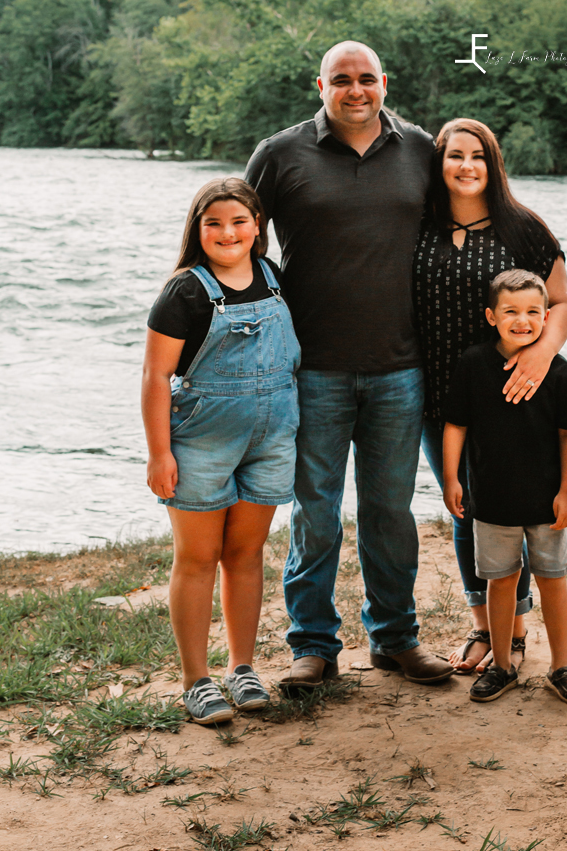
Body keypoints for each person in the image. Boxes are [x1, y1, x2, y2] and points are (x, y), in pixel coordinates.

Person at [245, 41, 455, 691]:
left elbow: (466, 224)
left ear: (385, 83)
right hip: (312, 370)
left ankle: (396, 639)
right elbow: (233, 239)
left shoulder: (421, 149)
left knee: (391, 512)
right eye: (342, 79)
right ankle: (313, 646)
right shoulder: (280, 155)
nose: (355, 89)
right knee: (315, 511)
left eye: (367, 79)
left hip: (401, 368)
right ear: (320, 86)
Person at [413, 118, 567, 675]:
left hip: (514, 391)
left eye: (477, 155)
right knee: (467, 509)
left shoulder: (523, 228)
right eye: (454, 155)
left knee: (517, 506)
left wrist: (541, 354)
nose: (465, 166)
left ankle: (517, 630)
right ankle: (484, 627)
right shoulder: (419, 225)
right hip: (439, 396)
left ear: (492, 163)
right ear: (439, 164)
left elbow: (560, 303)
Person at [142, 177, 300, 724]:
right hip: (202, 441)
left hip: (272, 436)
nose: (228, 232)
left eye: (239, 221)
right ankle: (196, 680)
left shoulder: (274, 277)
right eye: (214, 223)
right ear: (197, 229)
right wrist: (160, 453)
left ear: (258, 226)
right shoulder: (185, 290)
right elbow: (155, 376)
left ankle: (242, 667)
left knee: (245, 555)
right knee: (197, 557)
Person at [443, 269, 567, 705]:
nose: (522, 320)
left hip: (546, 501)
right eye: (511, 311)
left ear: (547, 316)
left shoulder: (557, 371)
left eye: (532, 311)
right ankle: (503, 665)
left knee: (552, 579)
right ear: (491, 316)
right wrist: (452, 478)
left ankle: (561, 667)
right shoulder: (472, 363)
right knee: (501, 581)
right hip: (490, 500)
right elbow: (456, 424)